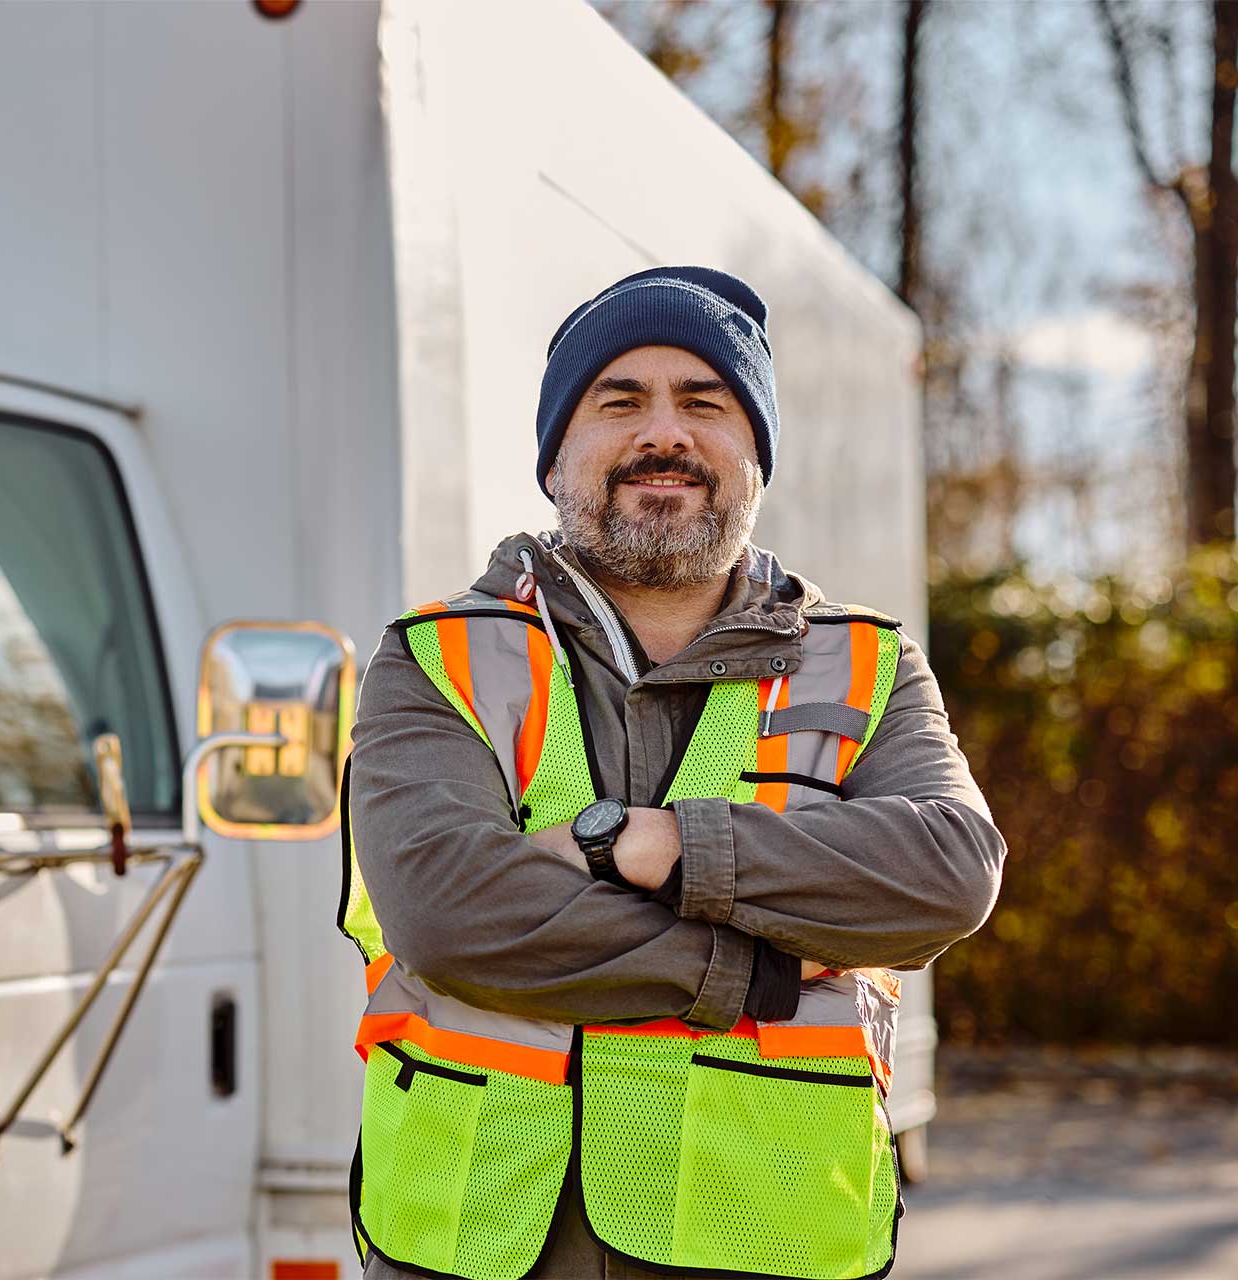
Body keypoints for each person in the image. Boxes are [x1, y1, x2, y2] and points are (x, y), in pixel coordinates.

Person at [338, 266, 1005, 1280]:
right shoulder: (435, 658)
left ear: (755, 454)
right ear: (557, 454)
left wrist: (662, 843)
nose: (666, 433)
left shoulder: (868, 663)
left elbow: (948, 873)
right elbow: (450, 916)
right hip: (478, 1251)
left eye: (706, 401)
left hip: (767, 1249)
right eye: (620, 400)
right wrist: (755, 967)